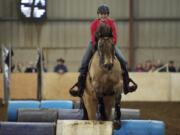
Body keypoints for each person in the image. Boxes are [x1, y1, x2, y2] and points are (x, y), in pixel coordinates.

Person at [70, 4, 137, 97]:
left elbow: (115, 36)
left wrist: (110, 45)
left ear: (108, 14)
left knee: (122, 60)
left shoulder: (111, 23)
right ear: (98, 15)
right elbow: (93, 37)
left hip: (109, 44)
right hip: (96, 44)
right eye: (101, 14)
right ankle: (80, 87)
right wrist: (96, 46)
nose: (103, 16)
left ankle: (126, 85)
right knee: (84, 62)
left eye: (105, 14)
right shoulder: (94, 24)